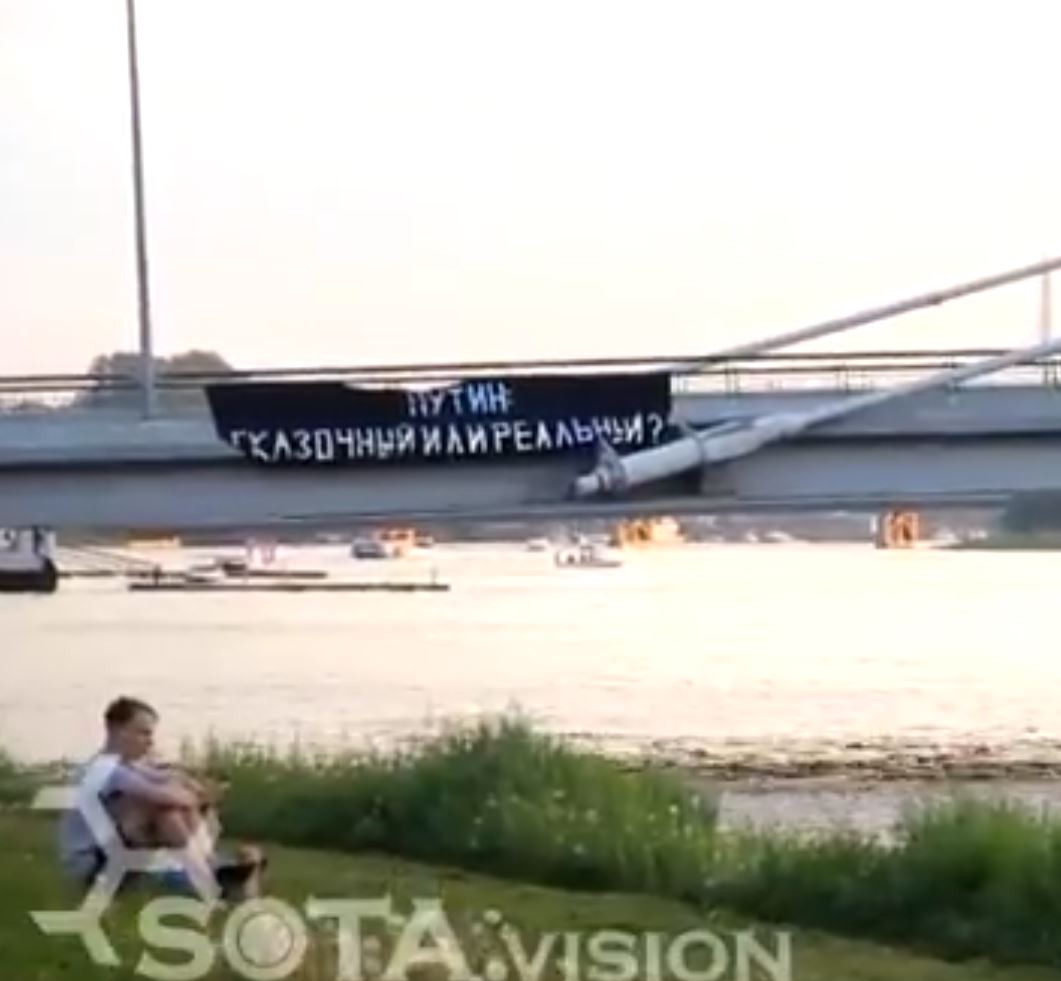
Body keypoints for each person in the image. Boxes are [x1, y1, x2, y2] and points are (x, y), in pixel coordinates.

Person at [58, 696, 264, 899]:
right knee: (162, 808)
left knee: (168, 805)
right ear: (118, 731)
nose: (150, 742)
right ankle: (211, 875)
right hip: (90, 866)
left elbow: (171, 777)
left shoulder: (127, 765)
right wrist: (200, 797)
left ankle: (212, 875)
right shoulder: (106, 770)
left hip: (116, 856)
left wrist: (191, 786)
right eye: (143, 733)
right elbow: (164, 796)